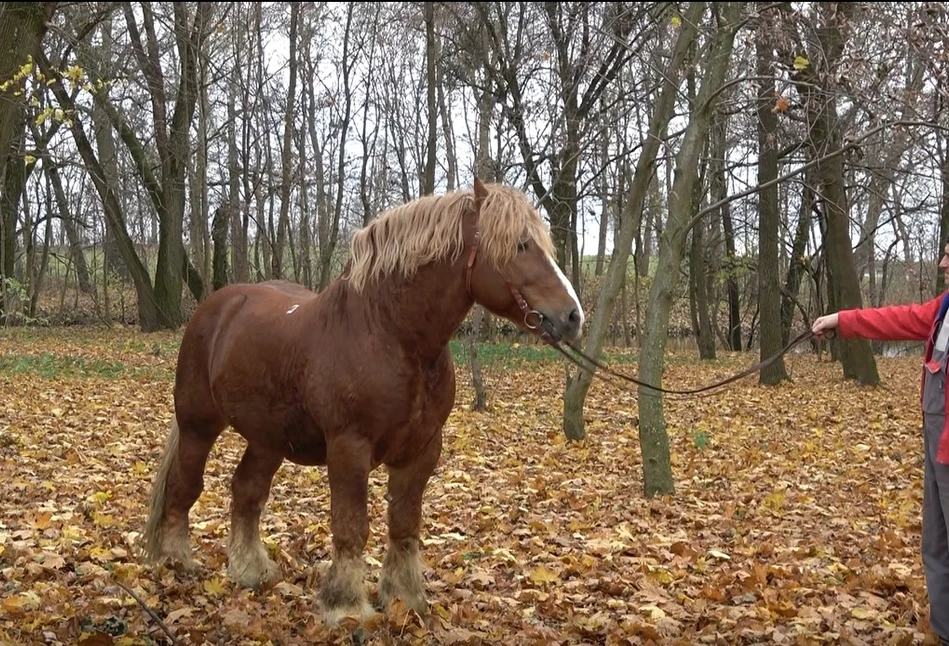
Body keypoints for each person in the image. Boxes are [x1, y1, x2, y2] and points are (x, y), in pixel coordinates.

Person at [812, 242, 949, 645]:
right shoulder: (943, 307)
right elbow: (898, 318)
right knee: (936, 547)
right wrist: (841, 320)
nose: (942, 262)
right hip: (935, 443)